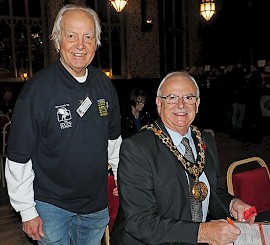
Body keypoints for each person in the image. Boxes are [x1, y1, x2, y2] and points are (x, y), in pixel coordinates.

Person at [5, 4, 122, 245]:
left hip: (96, 207)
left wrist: (123, 180)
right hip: (51, 208)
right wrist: (27, 211)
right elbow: (18, 158)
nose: (80, 45)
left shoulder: (105, 86)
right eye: (71, 36)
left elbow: (114, 145)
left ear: (96, 42)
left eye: (88, 37)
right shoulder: (37, 91)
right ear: (58, 41)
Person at [111, 71, 255, 245]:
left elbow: (209, 190)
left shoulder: (204, 140)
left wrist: (233, 204)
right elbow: (140, 222)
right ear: (159, 103)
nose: (181, 105)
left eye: (188, 97)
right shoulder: (137, 148)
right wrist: (202, 232)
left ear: (197, 103)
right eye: (172, 97)